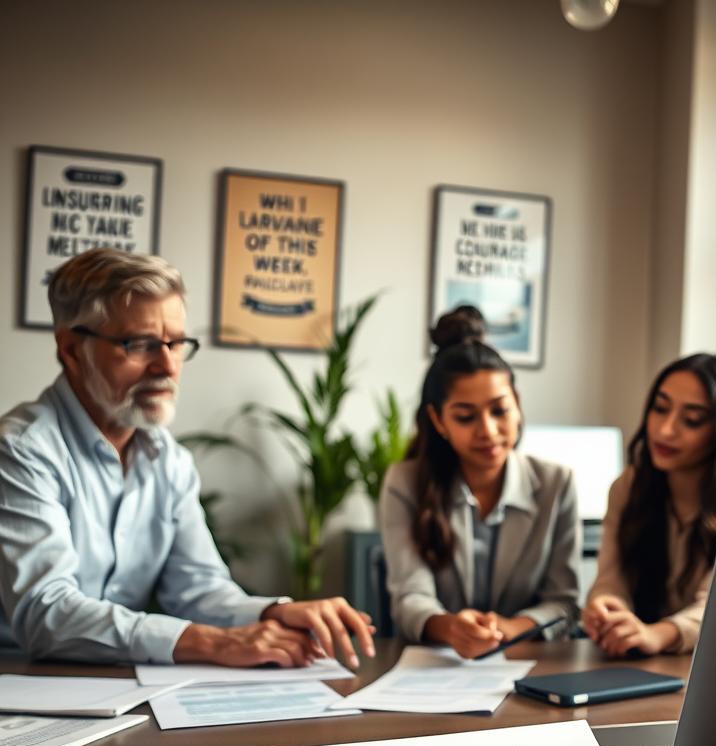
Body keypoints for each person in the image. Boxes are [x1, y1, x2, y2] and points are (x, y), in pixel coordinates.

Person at [0, 248, 375, 668]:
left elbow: (197, 590)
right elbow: (45, 615)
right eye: (139, 344)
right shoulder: (21, 449)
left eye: (176, 343)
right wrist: (214, 643)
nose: (166, 366)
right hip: (18, 689)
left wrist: (273, 613)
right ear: (70, 349)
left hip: (116, 690)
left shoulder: (168, 460)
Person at [380, 328, 580, 659]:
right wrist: (452, 628)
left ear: (517, 405)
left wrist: (511, 627)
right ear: (438, 420)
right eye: (465, 416)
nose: (487, 430)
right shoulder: (405, 483)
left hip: (529, 663)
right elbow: (410, 597)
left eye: (500, 411)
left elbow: (564, 603)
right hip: (438, 667)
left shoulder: (557, 483)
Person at [582, 354, 716, 657]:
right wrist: (608, 607)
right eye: (660, 409)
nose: (665, 430)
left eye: (692, 420)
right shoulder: (629, 487)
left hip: (714, 664)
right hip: (641, 666)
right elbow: (611, 580)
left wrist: (659, 634)